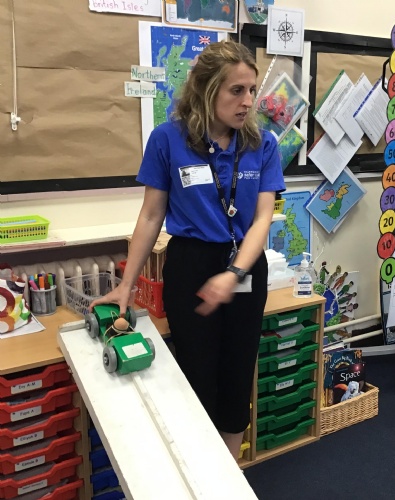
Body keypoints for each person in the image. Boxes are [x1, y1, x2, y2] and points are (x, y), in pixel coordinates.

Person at [90, 40, 286, 461]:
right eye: (236, 90)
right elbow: (150, 216)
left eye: (252, 90)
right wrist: (126, 285)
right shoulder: (168, 140)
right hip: (191, 265)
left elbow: (262, 219)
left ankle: (229, 473)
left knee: (237, 373)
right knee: (196, 373)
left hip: (244, 265)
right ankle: (201, 467)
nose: (247, 102)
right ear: (206, 89)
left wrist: (234, 273)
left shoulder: (262, 144)